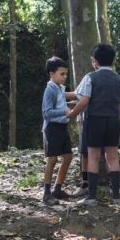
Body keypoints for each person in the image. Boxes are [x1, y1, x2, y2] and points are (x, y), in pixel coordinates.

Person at [67, 44, 120, 205]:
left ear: (95, 62)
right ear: (113, 61)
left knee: (94, 156)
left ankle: (91, 196)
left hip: (94, 121)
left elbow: (83, 101)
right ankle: (117, 195)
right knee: (112, 156)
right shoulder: (119, 79)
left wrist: (71, 114)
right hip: (112, 121)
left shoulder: (90, 77)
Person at [41, 56, 78, 206]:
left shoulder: (59, 88)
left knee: (68, 156)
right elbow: (47, 112)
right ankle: (46, 192)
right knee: (52, 159)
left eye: (66, 74)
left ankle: (58, 188)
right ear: (51, 73)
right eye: (61, 74)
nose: (65, 77)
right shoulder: (49, 89)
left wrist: (72, 103)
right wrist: (65, 111)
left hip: (62, 127)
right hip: (52, 128)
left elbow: (61, 103)